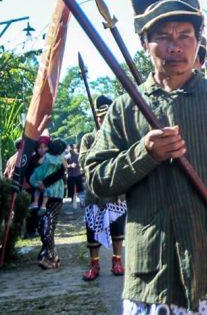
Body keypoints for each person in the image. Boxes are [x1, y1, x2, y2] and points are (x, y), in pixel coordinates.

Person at [83, 0, 207, 313]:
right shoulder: (124, 108)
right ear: (145, 43)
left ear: (197, 41)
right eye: (164, 36)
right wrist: (144, 154)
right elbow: (96, 180)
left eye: (185, 35)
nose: (176, 46)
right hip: (152, 280)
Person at [81, 95, 127, 282]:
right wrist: (99, 146)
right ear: (96, 119)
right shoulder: (89, 138)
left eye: (106, 116)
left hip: (116, 190)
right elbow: (84, 161)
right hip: (95, 192)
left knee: (117, 229)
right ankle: (94, 264)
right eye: (100, 117)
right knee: (93, 229)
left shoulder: (119, 138)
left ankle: (117, 261)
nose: (103, 120)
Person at [29, 137, 67, 269]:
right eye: (40, 147)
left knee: (48, 227)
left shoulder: (57, 159)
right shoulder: (33, 160)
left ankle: (50, 258)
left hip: (55, 197)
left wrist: (44, 183)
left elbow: (61, 172)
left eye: (45, 147)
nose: (43, 149)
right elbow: (30, 178)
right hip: (38, 200)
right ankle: (52, 256)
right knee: (41, 226)